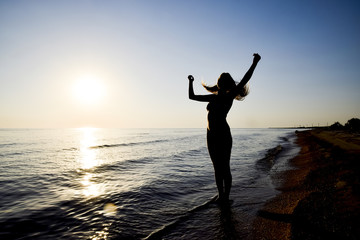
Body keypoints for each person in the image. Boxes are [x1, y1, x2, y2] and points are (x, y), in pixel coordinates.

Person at [188, 53, 261, 203]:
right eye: (220, 79)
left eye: (223, 79)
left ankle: (226, 198)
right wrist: (190, 82)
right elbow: (192, 96)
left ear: (226, 84)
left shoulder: (229, 96)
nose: (220, 80)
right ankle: (221, 196)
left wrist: (254, 63)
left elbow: (246, 79)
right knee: (217, 168)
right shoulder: (212, 97)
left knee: (225, 168)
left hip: (223, 134)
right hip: (210, 135)